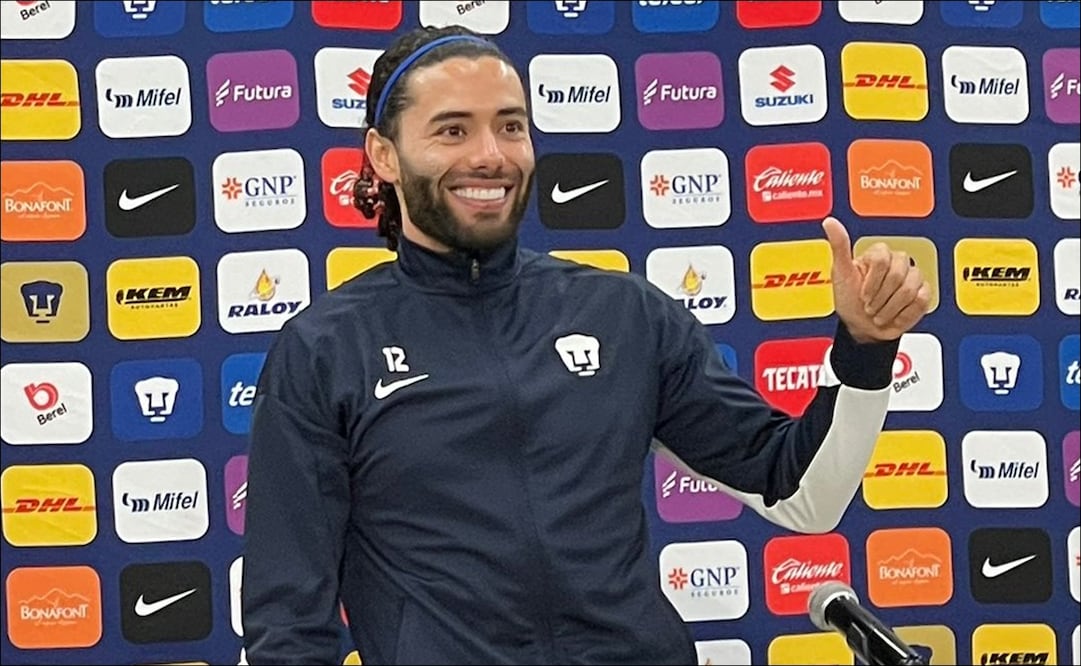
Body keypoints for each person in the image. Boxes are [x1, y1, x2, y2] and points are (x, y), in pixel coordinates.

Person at [241, 25, 931, 666]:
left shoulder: (623, 315)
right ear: (384, 156)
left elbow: (802, 494)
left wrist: (865, 348)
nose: (490, 155)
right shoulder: (326, 350)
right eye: (452, 130)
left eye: (510, 126)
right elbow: (289, 626)